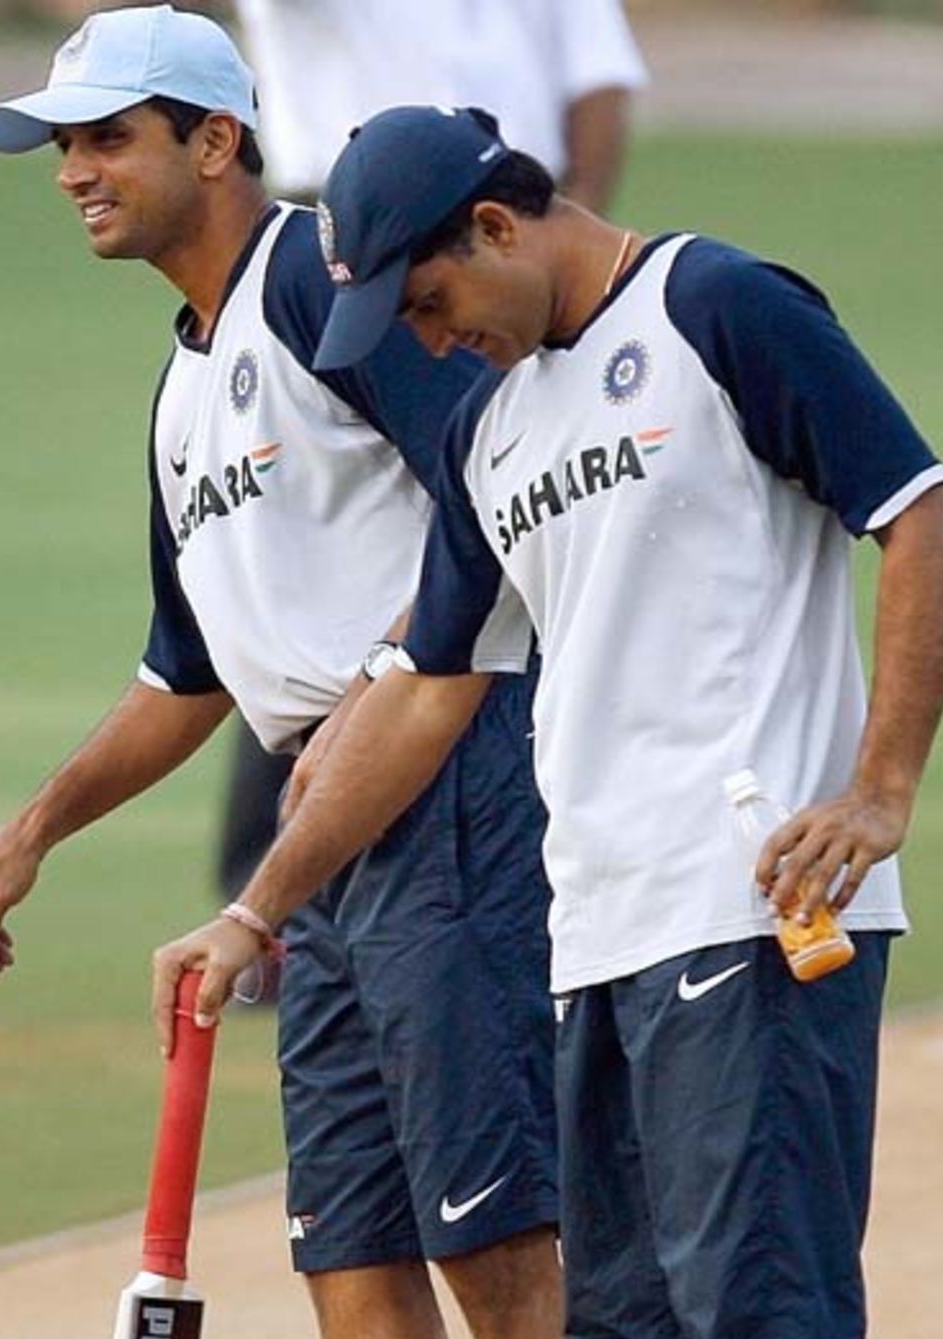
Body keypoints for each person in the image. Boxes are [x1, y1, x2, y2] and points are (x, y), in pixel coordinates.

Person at [151, 106, 943, 1339]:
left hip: (762, 917)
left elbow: (917, 517)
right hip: (591, 938)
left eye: (436, 295)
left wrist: (886, 784)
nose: (430, 341)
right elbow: (431, 687)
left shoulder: (723, 306)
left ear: (507, 219)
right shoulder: (500, 425)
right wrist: (256, 910)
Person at [0, 10, 632, 1339]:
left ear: (217, 142)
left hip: (444, 780)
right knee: (356, 1248)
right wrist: (32, 833)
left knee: (497, 1235)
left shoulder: (343, 294)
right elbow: (185, 670)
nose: (78, 175)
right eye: (64, 149)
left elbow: (501, 483)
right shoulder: (187, 379)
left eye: (110, 139)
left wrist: (441, 686)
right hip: (319, 814)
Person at [215, 0, 646, 920]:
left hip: (507, 234)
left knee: (505, 511)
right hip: (333, 241)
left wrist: (571, 263)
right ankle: (286, 885)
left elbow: (600, 83)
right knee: (327, 552)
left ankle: (484, 853)